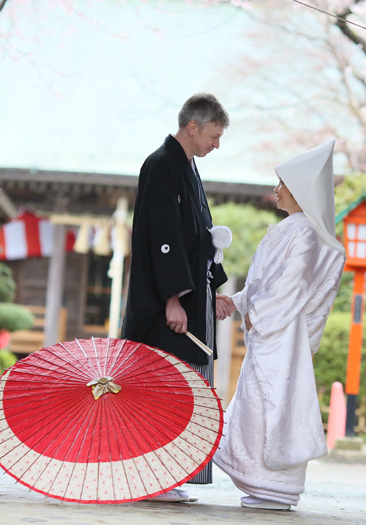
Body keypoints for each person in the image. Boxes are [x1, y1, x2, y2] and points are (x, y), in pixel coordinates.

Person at [213, 140, 346, 511]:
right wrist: (237, 301)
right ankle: (265, 483)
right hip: (274, 332)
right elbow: (262, 283)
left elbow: (290, 285)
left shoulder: (303, 232)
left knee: (272, 404)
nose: (275, 190)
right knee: (263, 404)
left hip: (280, 334)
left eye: (281, 183)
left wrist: (257, 313)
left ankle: (274, 485)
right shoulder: (295, 228)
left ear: (299, 190)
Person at [121, 93, 235, 502]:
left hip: (190, 301)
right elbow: (163, 239)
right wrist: (173, 298)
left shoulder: (186, 166)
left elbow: (199, 239)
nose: (216, 145)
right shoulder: (161, 164)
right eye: (214, 135)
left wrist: (215, 289)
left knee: (187, 390)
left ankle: (167, 477)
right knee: (165, 389)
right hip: (164, 307)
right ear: (193, 126)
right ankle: (152, 478)